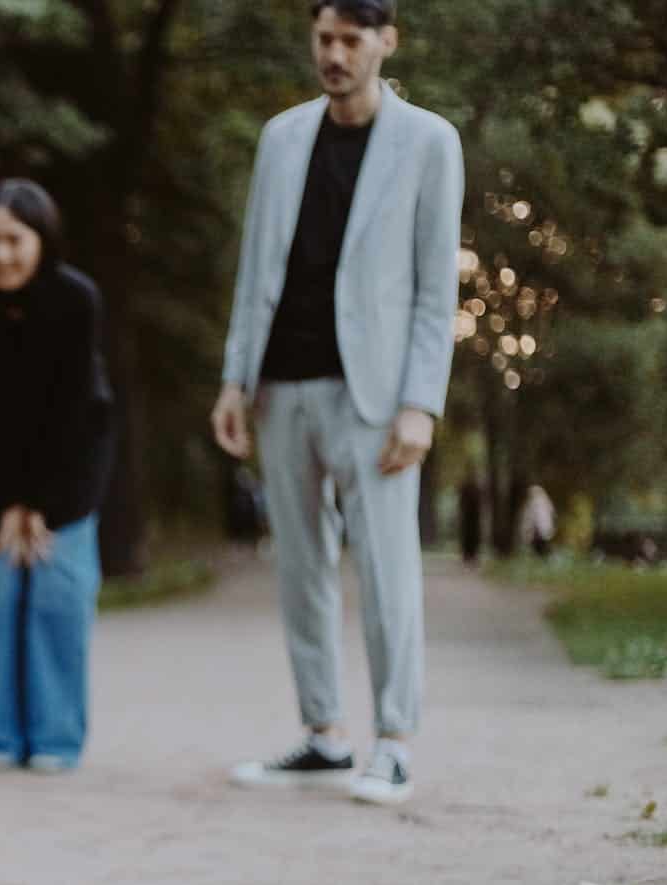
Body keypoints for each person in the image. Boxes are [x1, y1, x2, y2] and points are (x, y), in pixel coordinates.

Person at [210, 0, 465, 806]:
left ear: (386, 42)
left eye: (351, 40)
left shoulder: (429, 141)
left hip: (377, 394)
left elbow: (435, 289)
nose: (335, 54)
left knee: (388, 569)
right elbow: (256, 269)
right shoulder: (281, 138)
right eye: (324, 38)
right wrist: (234, 379)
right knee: (299, 569)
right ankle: (323, 734)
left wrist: (421, 402)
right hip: (282, 384)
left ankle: (391, 742)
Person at [0, 179, 115, 773]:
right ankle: (2, 735)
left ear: (41, 240)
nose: (0, 254)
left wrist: (39, 502)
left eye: (14, 240)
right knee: (0, 602)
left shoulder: (76, 299)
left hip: (70, 471)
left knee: (56, 601)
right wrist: (5, 503)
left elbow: (72, 408)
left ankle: (56, 738)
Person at [518, 484, 556, 558]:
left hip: (539, 532)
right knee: (540, 549)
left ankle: (546, 560)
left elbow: (532, 518)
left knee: (541, 549)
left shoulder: (535, 503)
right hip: (540, 532)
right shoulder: (545, 502)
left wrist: (528, 529)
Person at [457, 475, 484, 566]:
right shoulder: (472, 489)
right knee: (468, 536)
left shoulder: (476, 490)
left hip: (473, 518)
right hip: (468, 518)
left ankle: (471, 555)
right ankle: (468, 555)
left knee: (473, 536)